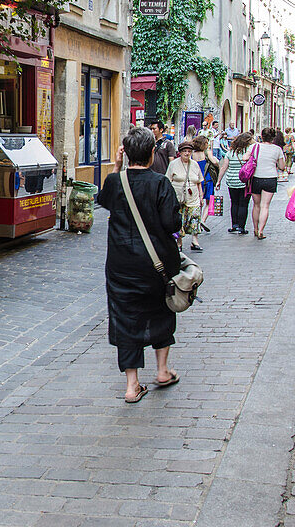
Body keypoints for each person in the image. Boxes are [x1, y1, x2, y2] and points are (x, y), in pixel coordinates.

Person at [97, 127, 181, 402]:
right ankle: (162, 370)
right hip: (156, 264)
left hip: (121, 265)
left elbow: (105, 202)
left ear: (126, 152)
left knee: (124, 318)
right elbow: (172, 224)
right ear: (152, 153)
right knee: (161, 311)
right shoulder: (160, 183)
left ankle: (132, 385)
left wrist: (117, 167)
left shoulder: (114, 182)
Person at [166, 141, 205, 251]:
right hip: (178, 197)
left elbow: (199, 181)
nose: (187, 154)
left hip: (193, 196)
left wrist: (201, 196)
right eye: (184, 151)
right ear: (180, 153)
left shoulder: (194, 164)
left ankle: (194, 241)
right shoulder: (173, 164)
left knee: (195, 217)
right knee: (180, 219)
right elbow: (168, 180)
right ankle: (179, 242)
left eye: (189, 151)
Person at [249, 128, 286, 239]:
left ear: (261, 136)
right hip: (270, 178)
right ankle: (261, 230)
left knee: (256, 205)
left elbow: (246, 158)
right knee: (265, 206)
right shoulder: (277, 149)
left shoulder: (254, 147)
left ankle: (255, 229)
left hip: (256, 177)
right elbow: (282, 167)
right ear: (273, 137)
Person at [218, 132, 255, 235]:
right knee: (243, 204)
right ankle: (241, 227)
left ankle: (234, 225)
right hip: (244, 182)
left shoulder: (230, 153)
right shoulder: (248, 153)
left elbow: (224, 167)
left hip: (231, 180)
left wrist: (219, 181)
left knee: (234, 203)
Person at [192, 135, 218, 232]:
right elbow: (214, 162)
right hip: (208, 179)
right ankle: (203, 219)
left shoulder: (192, 155)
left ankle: (198, 220)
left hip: (197, 180)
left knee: (199, 201)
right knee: (209, 201)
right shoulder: (207, 152)